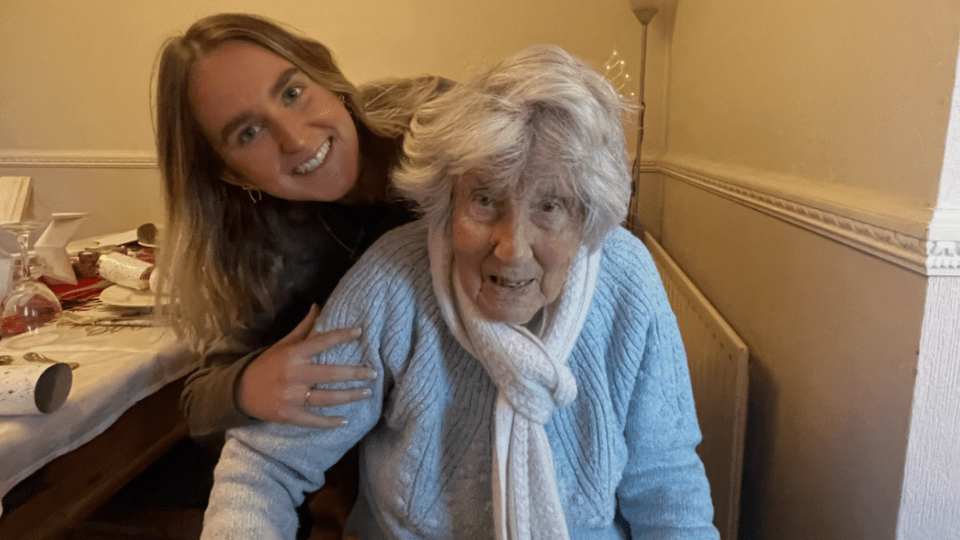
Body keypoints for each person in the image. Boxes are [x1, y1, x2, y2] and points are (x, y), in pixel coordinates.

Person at [199, 45, 719, 540]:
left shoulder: (627, 277)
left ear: (588, 214)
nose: (512, 249)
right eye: (486, 199)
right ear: (444, 202)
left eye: (551, 206)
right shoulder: (391, 280)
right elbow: (265, 465)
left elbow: (666, 484)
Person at [153, 12, 451, 537]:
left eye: (291, 93)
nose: (293, 139)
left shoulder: (441, 132)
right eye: (248, 132)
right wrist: (248, 385)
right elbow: (199, 402)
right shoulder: (268, 254)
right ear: (227, 171)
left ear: (326, 78)